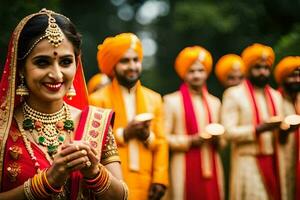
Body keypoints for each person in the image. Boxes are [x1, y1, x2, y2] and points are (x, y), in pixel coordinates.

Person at [0, 9, 128, 200]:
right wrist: (47, 182)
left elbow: (122, 197)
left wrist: (95, 173)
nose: (57, 74)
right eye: (43, 62)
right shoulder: (3, 127)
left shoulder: (96, 122)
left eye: (66, 62)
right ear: (21, 68)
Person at [89, 33, 168, 200]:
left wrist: (160, 180)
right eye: (125, 61)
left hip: (147, 181)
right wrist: (124, 133)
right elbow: (92, 146)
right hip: (112, 181)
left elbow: (161, 142)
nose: (132, 66)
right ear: (113, 65)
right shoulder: (97, 100)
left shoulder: (154, 98)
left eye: (135, 60)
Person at [221, 43, 286, 200]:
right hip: (247, 161)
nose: (262, 72)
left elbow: (280, 129)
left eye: (266, 67)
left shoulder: (276, 96)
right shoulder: (234, 94)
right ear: (248, 69)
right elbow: (228, 131)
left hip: (274, 161)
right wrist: (258, 129)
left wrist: (286, 129)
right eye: (257, 67)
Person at [163, 46, 225, 200]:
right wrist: (190, 141)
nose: (196, 75)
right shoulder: (171, 101)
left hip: (212, 165)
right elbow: (163, 137)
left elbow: (224, 141)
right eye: (191, 71)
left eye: (200, 70)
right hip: (183, 165)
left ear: (207, 73)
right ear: (184, 73)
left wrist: (218, 139)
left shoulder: (215, 102)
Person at [274, 56, 300, 200]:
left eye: (299, 76)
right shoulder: (275, 99)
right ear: (282, 77)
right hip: (281, 157)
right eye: (292, 76)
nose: (297, 80)